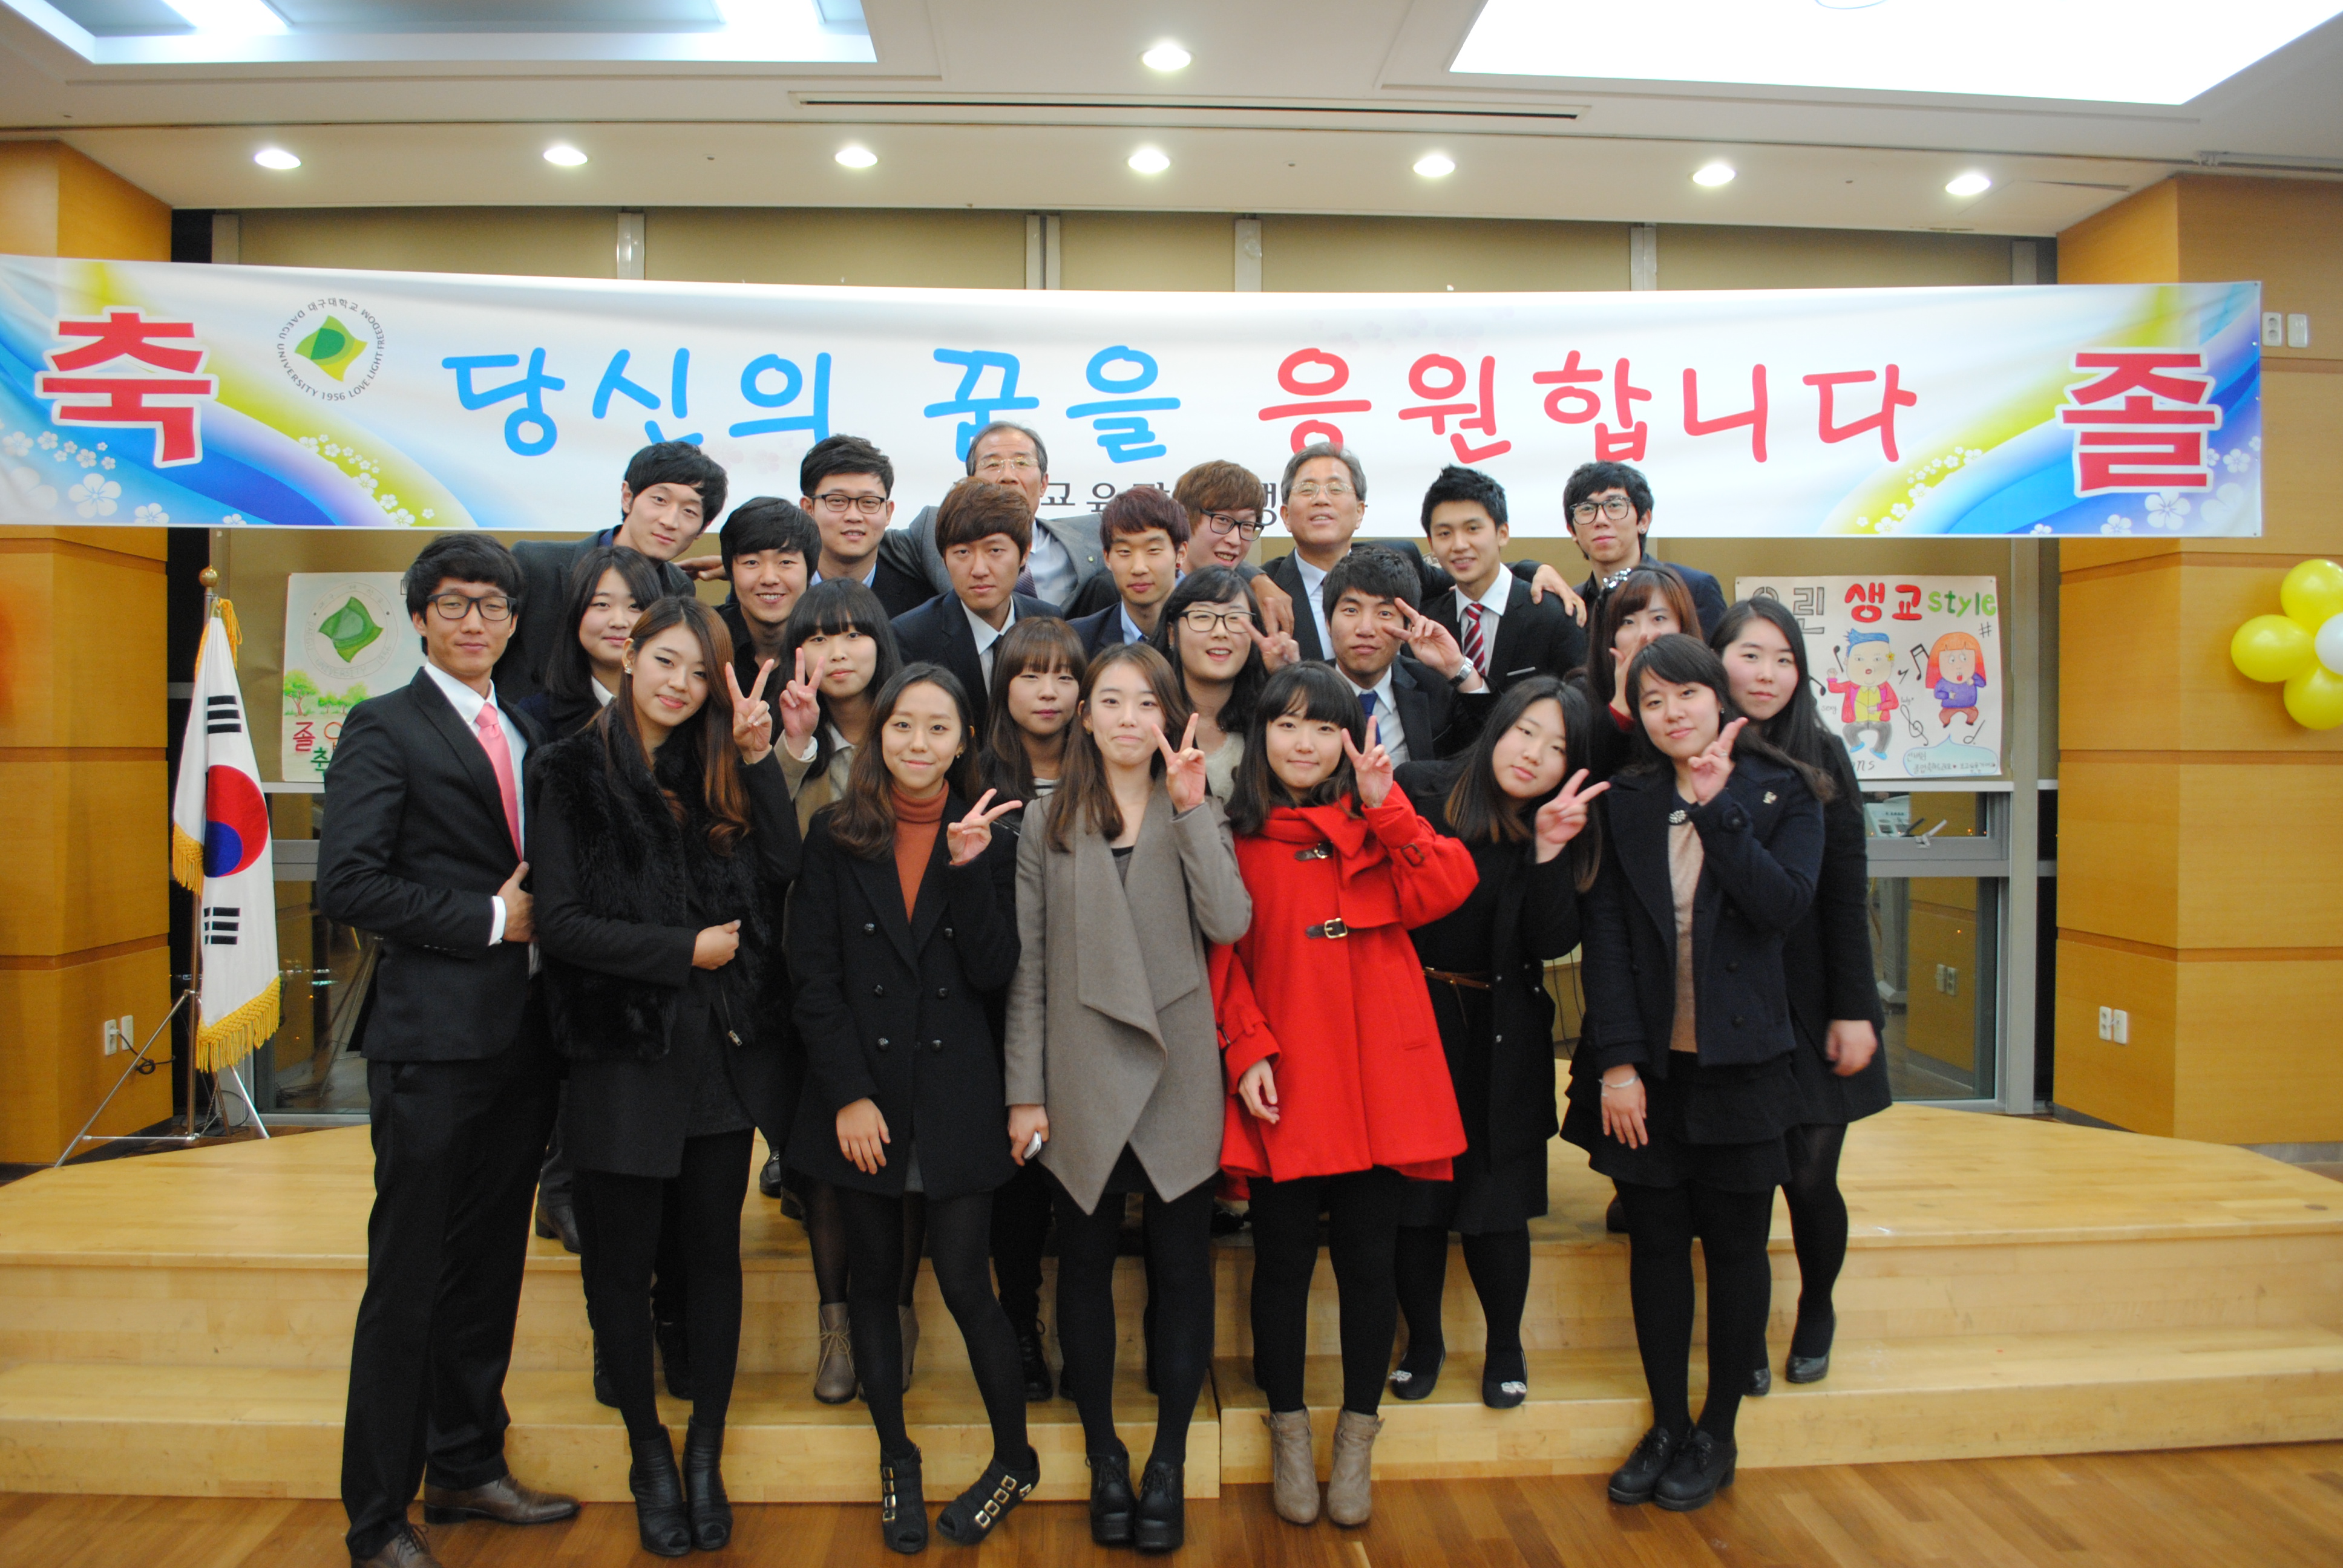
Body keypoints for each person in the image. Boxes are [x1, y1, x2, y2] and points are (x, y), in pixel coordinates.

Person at [318, 534, 575, 1568]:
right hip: (430, 1043)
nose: (476, 621)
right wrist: (489, 919)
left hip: (521, 1040)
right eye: (456, 603)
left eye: (494, 605)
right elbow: (348, 883)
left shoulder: (523, 726)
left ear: (515, 621)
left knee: (488, 1267)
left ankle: (466, 1464)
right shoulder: (383, 725)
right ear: (419, 615)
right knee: (409, 1278)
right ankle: (377, 1517)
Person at [528, 597, 801, 1557]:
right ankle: (648, 1453)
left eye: (698, 672)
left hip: (718, 1058)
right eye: (666, 662)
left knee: (712, 1259)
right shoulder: (568, 769)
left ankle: (704, 1453)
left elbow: (783, 867)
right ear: (629, 657)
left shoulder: (713, 765)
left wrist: (761, 760)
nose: (680, 686)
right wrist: (681, 949)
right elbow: (561, 923)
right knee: (620, 1265)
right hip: (620, 1053)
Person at [1565, 633, 1827, 1514]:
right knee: (1656, 1247)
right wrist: (1617, 1065)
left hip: (1743, 1067)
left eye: (1685, 694)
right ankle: (1667, 1422)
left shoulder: (1784, 790)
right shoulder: (1629, 800)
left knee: (1736, 1249)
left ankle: (1718, 1429)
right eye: (1651, 701)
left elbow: (1782, 906)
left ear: (1720, 697)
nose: (1671, 713)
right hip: (1649, 1073)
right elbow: (1605, 937)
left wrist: (1720, 811)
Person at [1213, 662, 1477, 1529]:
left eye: (1323, 727)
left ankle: (1357, 1438)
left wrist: (1385, 805)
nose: (1304, 743)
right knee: (1283, 1262)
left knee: (1371, 1262)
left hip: (1376, 1080)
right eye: (1287, 725)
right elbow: (1220, 960)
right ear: (1260, 736)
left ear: (1347, 740)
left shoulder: (1376, 824)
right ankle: (1289, 1434)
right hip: (1288, 1076)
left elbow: (1446, 887)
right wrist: (1246, 1048)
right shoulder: (1233, 836)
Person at [1003, 643, 1252, 1553]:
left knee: (1182, 1273)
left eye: (1145, 703)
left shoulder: (1198, 804)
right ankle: (1105, 1454)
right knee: (1084, 1269)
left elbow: (1230, 922)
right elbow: (1029, 967)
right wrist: (1024, 1093)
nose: (1126, 718)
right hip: (1079, 1070)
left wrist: (1188, 810)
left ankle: (1169, 1460)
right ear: (1084, 715)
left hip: (1178, 1069)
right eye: (1109, 701)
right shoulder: (1046, 819)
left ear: (1168, 718)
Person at [785, 664, 1039, 1552]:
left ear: (964, 740)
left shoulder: (991, 836)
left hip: (958, 1099)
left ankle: (1014, 1459)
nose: (918, 743)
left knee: (967, 1283)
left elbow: (997, 974)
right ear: (878, 734)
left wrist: (969, 870)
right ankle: (897, 1458)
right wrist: (849, 1095)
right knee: (873, 1285)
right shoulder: (835, 834)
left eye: (938, 728)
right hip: (864, 1099)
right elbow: (812, 980)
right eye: (902, 726)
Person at [1388, 678, 1607, 1410]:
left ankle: (1505, 1345)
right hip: (1415, 1024)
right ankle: (1422, 1342)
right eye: (1524, 732)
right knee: (1416, 1203)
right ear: (1497, 728)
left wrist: (1548, 851)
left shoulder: (1560, 824)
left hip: (1501, 1030)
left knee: (1496, 1201)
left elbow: (1550, 942)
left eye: (1556, 748)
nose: (1533, 755)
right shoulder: (1423, 789)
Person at [1712, 598, 1888, 1393]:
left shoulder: (1821, 752)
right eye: (1751, 655)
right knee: (1744, 1183)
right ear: (1717, 659)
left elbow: (1847, 891)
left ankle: (1817, 1304)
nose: (1767, 674)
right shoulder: (1694, 744)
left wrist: (1854, 1008)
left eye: (1784, 660)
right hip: (1728, 996)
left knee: (1811, 1175)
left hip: (1813, 991)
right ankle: (1744, 1331)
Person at [767, 577, 917, 1405]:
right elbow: (772, 855)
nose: (838, 651)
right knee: (825, 1160)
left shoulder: (916, 723)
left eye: (854, 633)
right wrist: (791, 750)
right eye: (819, 637)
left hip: (905, 982)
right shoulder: (783, 741)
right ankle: (836, 1325)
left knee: (902, 1152)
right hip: (813, 980)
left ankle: (892, 1314)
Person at [977, 615, 1091, 1401]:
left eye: (1062, 675)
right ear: (1003, 686)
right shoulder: (977, 781)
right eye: (1029, 674)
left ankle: (1088, 1338)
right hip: (996, 1013)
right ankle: (1020, 1324)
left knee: (1084, 1189)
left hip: (1084, 1010)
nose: (1047, 691)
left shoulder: (1108, 776)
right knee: (1014, 1191)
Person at [1257, 442, 1580, 662]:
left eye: (1336, 488)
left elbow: (1467, 573)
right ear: (1285, 515)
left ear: (1360, 512)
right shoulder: (1266, 586)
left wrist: (1532, 570)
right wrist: (1253, 579)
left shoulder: (1400, 559)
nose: (1321, 499)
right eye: (1307, 489)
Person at [499, 440, 727, 699]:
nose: (670, 521)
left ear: (703, 528)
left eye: (689, 511)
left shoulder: (678, 587)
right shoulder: (536, 564)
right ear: (628, 497)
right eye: (660, 500)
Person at [879, 420, 1110, 613]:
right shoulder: (932, 528)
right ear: (971, 484)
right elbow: (870, 543)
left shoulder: (1092, 533)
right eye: (992, 464)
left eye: (1022, 463)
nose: (1007, 476)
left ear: (1043, 484)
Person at [890, 478, 1058, 736]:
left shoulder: (1049, 620)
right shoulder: (911, 637)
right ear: (943, 557)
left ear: (1024, 554)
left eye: (995, 550)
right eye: (963, 553)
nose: (979, 570)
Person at [1417, 465, 1588, 691]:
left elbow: (1577, 703)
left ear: (1503, 534)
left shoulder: (1553, 615)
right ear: (1431, 543)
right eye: (1445, 533)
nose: (1459, 545)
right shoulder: (1427, 625)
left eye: (1473, 529)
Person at [1321, 545, 1492, 766]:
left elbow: (1493, 745)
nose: (1365, 629)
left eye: (1384, 613)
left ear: (1408, 627)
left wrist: (1457, 667)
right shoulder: (1303, 693)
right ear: (1328, 623)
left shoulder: (1435, 689)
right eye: (1351, 611)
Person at [1150, 566, 1285, 802]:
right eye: (1203, 617)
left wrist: (1284, 676)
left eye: (1236, 619)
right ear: (1172, 634)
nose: (1221, 632)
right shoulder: (1150, 719)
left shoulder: (1267, 722)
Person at [1562, 461, 1728, 639]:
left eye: (1615, 505)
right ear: (1572, 531)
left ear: (1643, 521)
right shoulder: (1570, 605)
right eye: (1587, 509)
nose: (1601, 520)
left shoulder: (1693, 588)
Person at [1580, 563, 1703, 788]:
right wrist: (1621, 704)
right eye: (1628, 622)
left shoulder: (1704, 682)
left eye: (1659, 619)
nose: (1644, 634)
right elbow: (1589, 774)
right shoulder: (1581, 692)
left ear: (1682, 625)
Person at [798, 434, 935, 618]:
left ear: (888, 512)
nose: (853, 516)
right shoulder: (781, 592)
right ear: (808, 509)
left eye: (869, 502)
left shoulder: (923, 606)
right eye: (837, 501)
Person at [717, 495, 822, 693]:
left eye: (786, 562)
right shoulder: (704, 639)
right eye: (752, 563)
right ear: (731, 571)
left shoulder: (834, 644)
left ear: (810, 570)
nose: (769, 579)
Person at [1069, 486, 1187, 655]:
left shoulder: (1207, 636)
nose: (1139, 568)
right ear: (1107, 558)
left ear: (1181, 554)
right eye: (1124, 552)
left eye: (1153, 550)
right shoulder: (1077, 640)